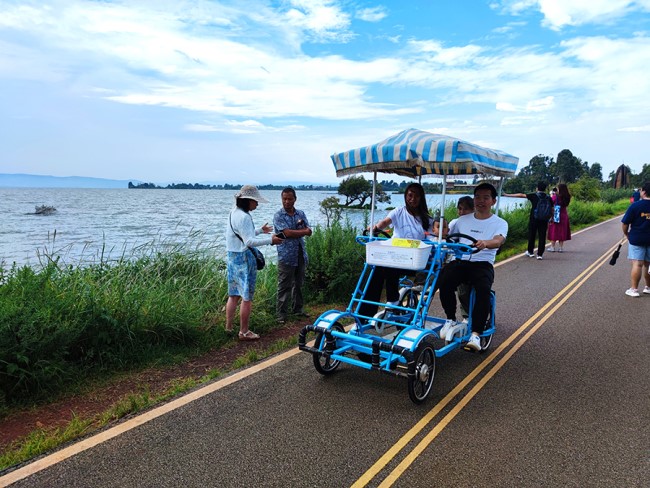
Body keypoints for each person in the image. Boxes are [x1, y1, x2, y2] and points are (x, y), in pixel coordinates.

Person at [437, 183, 508, 351]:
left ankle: (476, 334)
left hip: (482, 263)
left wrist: (486, 243)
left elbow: (498, 240)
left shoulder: (499, 222)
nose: (481, 201)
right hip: (461, 261)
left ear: (493, 201)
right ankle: (450, 319)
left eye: (485, 198)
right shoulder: (461, 220)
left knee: (483, 289)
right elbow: (447, 236)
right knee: (444, 280)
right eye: (477, 197)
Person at [359, 182, 434, 319]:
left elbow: (433, 239)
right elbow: (384, 222)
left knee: (389, 266)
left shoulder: (427, 220)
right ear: (406, 196)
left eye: (416, 196)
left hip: (414, 261)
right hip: (395, 257)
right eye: (410, 195)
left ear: (421, 198)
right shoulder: (399, 211)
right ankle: (364, 314)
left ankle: (393, 299)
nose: (413, 199)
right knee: (378, 269)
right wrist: (375, 228)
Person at [226, 185, 284, 340]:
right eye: (256, 201)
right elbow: (249, 241)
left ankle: (229, 328)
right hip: (244, 259)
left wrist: (260, 230)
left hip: (232, 257)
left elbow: (242, 234)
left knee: (233, 295)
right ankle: (244, 332)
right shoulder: (245, 217)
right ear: (248, 201)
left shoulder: (233, 212)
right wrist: (271, 240)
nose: (257, 204)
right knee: (246, 297)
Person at [274, 187, 312, 323]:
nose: (287, 201)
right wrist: (302, 232)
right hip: (286, 255)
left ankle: (298, 309)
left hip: (300, 253)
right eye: (284, 199)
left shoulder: (300, 213)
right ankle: (281, 315)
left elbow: (310, 231)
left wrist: (299, 231)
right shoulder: (279, 215)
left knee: (299, 283)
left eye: (290, 199)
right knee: (284, 285)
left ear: (295, 199)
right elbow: (287, 233)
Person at [503, 182, 551, 260]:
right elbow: (552, 208)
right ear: (545, 188)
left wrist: (507, 195)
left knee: (532, 235)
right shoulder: (548, 197)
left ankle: (530, 252)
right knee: (542, 236)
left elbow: (521, 195)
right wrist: (550, 217)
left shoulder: (534, 196)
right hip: (544, 219)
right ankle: (540, 254)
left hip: (534, 218)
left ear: (537, 188)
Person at [448, 196, 475, 320]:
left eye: (465, 209)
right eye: (459, 209)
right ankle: (450, 317)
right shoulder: (455, 222)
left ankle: (466, 315)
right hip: (455, 259)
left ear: (473, 210)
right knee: (442, 282)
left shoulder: (476, 224)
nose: (461, 212)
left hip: (471, 260)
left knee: (463, 289)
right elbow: (449, 238)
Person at [621, 182, 650, 297]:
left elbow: (625, 223)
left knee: (637, 264)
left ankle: (634, 290)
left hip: (637, 238)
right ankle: (648, 287)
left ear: (643, 192)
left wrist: (626, 234)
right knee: (648, 265)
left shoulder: (635, 206)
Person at [547, 183, 572, 252]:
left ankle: (552, 247)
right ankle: (561, 248)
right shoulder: (567, 197)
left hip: (556, 215)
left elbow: (551, 202)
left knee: (554, 230)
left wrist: (552, 195)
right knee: (562, 231)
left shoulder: (555, 197)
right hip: (564, 215)